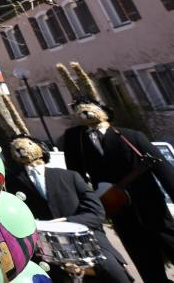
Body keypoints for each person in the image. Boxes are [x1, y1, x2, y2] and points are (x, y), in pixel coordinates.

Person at [62, 95, 174, 281]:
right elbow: (76, 175)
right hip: (118, 209)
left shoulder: (131, 136)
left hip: (150, 204)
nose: (85, 112)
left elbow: (163, 169)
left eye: (89, 108)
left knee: (169, 241)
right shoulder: (77, 141)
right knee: (143, 257)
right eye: (80, 111)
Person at [8, 134, 130, 282]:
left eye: (27, 144)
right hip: (45, 248)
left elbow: (96, 214)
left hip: (88, 241)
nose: (20, 149)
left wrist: (66, 221)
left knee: (112, 271)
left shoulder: (70, 176)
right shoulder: (11, 184)